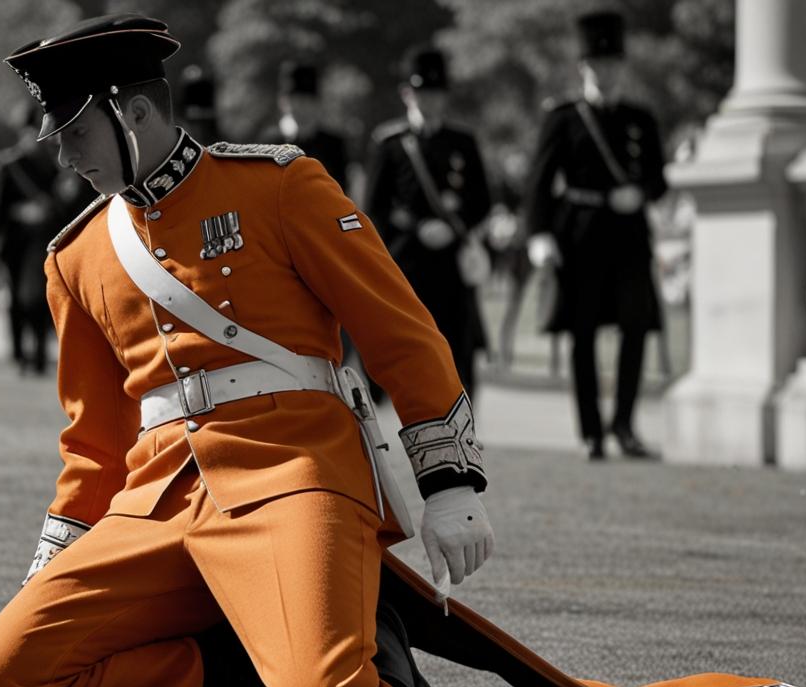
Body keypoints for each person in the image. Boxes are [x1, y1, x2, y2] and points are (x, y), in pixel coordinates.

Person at [0, 13, 491, 687]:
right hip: (156, 503)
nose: (64, 155)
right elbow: (93, 441)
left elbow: (397, 328)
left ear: (133, 113)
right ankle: (239, 673)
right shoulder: (74, 256)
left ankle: (383, 655)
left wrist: (451, 483)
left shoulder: (280, 185)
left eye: (76, 131)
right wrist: (55, 564)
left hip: (297, 472)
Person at [523, 11, 667, 461]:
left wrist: (639, 193)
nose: (605, 71)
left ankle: (623, 424)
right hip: (579, 235)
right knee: (581, 334)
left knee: (636, 326)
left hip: (628, 235)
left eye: (612, 64)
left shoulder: (641, 119)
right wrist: (540, 236)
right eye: (597, 64)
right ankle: (591, 432)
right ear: (583, 67)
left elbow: (660, 179)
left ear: (622, 67)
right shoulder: (563, 118)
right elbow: (539, 181)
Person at [364, 47, 494, 398]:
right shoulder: (389, 143)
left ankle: (463, 421)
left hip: (452, 261)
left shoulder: (463, 143)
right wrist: (416, 228)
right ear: (408, 94)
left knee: (457, 344)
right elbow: (374, 206)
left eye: (436, 93)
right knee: (405, 342)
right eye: (422, 93)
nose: (430, 101)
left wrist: (452, 228)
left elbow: (482, 201)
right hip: (407, 260)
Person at [0, 106, 63, 374]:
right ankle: (20, 351)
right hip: (15, 240)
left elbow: (59, 204)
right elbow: (0, 207)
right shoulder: (11, 166)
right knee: (17, 299)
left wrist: (44, 211)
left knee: (39, 298)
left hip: (42, 239)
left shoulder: (52, 165)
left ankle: (41, 354)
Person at [262, 62, 349, 189]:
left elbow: (342, 193)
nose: (303, 108)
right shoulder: (271, 143)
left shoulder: (334, 146)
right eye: (297, 101)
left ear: (318, 103)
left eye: (309, 101)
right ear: (285, 102)